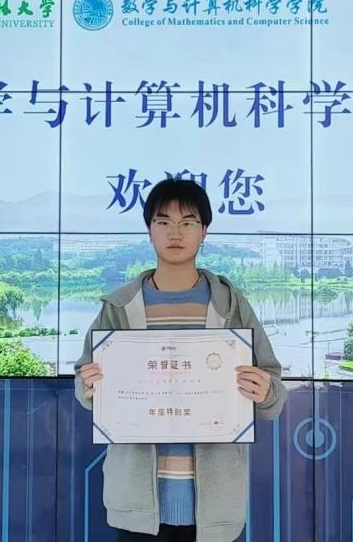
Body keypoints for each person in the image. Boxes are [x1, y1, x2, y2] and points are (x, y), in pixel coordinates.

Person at [74, 179, 286, 542]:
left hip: (214, 508)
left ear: (204, 231)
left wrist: (265, 391)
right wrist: (89, 387)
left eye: (188, 222)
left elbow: (273, 393)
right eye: (164, 222)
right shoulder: (119, 307)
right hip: (138, 508)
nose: (176, 232)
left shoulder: (231, 304)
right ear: (149, 231)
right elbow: (84, 383)